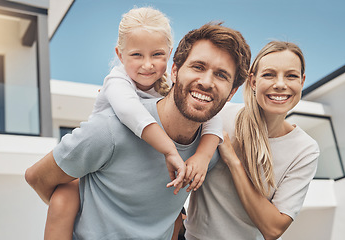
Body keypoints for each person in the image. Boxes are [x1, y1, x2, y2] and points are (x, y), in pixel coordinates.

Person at [25, 22, 251, 240]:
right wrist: (67, 207)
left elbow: (172, 218)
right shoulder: (110, 129)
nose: (206, 81)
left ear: (232, 93)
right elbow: (37, 177)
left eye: (221, 75)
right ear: (174, 71)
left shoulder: (206, 155)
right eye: (198, 67)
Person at [184, 41, 320, 240]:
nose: (280, 84)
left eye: (291, 76)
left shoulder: (305, 150)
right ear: (253, 81)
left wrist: (233, 162)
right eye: (269, 74)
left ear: (302, 81)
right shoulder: (220, 115)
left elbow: (273, 229)